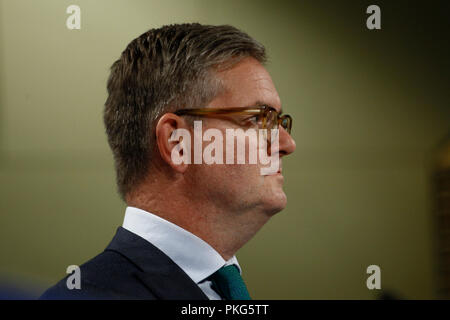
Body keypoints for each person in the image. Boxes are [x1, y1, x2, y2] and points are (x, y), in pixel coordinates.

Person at [40, 23, 296, 300]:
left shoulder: (220, 288)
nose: (287, 144)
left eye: (280, 122)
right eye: (258, 119)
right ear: (178, 143)